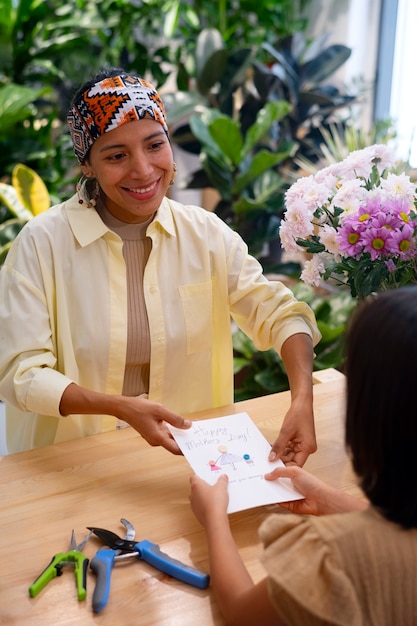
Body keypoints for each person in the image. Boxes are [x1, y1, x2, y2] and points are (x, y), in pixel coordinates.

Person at [0, 68, 320, 458]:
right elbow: (21, 373)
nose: (143, 169)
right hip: (73, 464)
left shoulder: (206, 234)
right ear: (87, 165)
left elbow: (280, 314)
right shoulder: (41, 244)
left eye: (155, 145)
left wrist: (302, 399)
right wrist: (119, 406)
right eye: (117, 155)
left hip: (189, 460)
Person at [189, 286, 417, 626]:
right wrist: (330, 500)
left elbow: (241, 611)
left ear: (369, 416)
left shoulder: (334, 555)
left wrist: (214, 518)